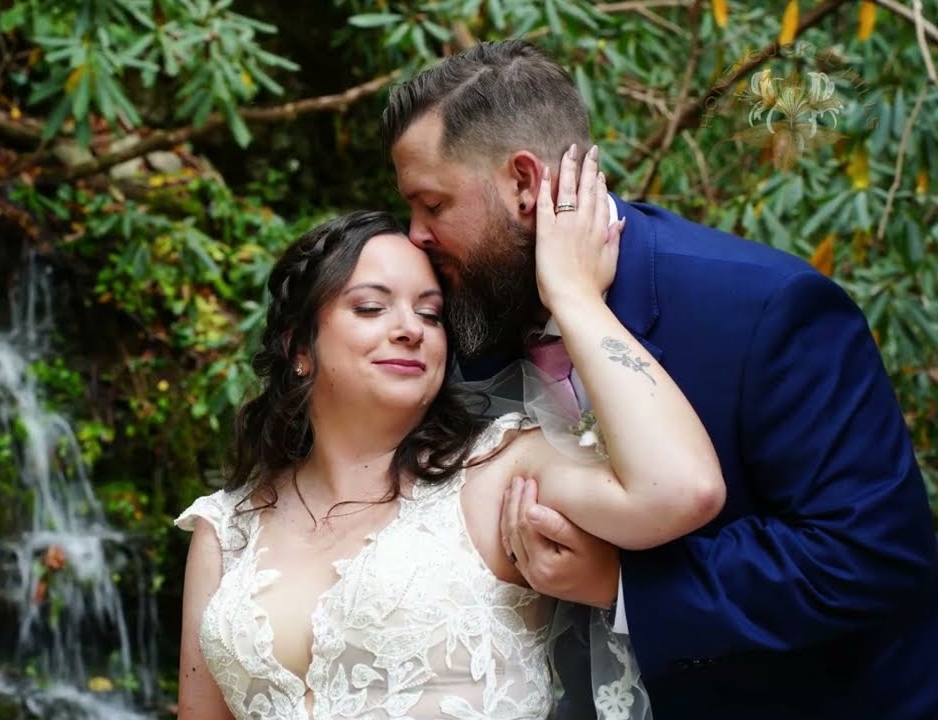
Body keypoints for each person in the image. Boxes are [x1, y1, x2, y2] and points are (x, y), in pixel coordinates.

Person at [383, 38, 938, 720]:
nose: (414, 235)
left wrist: (624, 583)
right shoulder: (460, 327)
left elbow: (868, 557)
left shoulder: (766, 308)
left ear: (524, 185)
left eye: (432, 205)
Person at [174, 162, 725, 719]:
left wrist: (574, 298)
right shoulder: (228, 527)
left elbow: (681, 490)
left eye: (431, 314)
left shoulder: (501, 470)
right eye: (370, 307)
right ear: (299, 348)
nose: (410, 328)